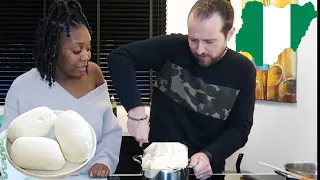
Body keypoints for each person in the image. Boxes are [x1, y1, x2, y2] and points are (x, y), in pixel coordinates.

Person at [107, 0, 256, 179]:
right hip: (159, 168)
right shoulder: (172, 47)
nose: (200, 49)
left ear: (229, 33)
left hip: (206, 171)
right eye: (193, 39)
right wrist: (135, 111)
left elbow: (240, 128)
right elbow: (120, 58)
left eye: (209, 41)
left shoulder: (242, 70)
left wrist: (210, 154)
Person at [0, 0, 122, 178]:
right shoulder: (22, 87)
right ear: (54, 50)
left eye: (88, 48)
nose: (86, 56)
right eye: (76, 50)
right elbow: (6, 147)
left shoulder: (94, 74)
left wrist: (104, 160)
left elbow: (110, 130)